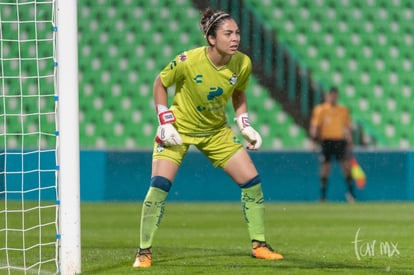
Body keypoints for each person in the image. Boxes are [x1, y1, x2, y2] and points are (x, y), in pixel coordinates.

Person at [132, 8, 284, 268]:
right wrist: (164, 120)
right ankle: (143, 252)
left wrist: (244, 124)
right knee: (159, 186)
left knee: (252, 182)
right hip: (178, 130)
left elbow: (238, 92)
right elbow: (160, 83)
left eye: (237, 33)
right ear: (212, 39)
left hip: (216, 132)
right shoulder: (187, 60)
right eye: (228, 33)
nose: (235, 38)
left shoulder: (242, 63)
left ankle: (259, 245)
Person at [309, 87, 355, 202]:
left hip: (339, 141)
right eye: (331, 95)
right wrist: (313, 141)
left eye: (335, 95)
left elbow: (347, 127)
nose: (333, 97)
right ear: (327, 96)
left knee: (346, 167)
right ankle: (323, 196)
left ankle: (351, 194)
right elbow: (316, 127)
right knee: (325, 168)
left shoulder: (343, 110)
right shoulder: (321, 110)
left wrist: (350, 140)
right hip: (326, 141)